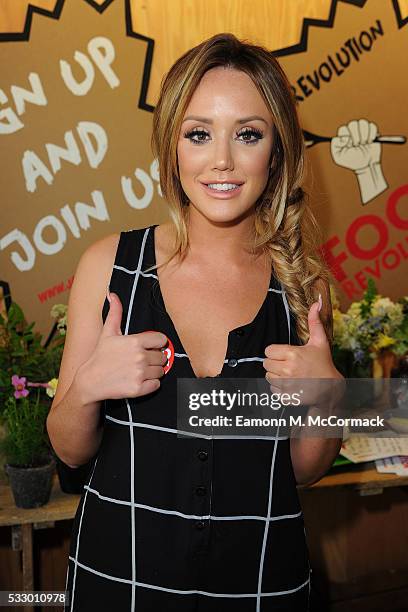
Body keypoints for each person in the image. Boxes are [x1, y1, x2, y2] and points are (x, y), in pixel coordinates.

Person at [47, 32, 344, 612]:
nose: (222, 161)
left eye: (249, 135)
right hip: (119, 583)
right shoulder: (110, 266)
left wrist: (328, 399)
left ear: (276, 151)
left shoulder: (303, 287)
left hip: (261, 583)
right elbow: (71, 449)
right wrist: (87, 388)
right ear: (171, 146)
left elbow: (305, 471)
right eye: (199, 133)